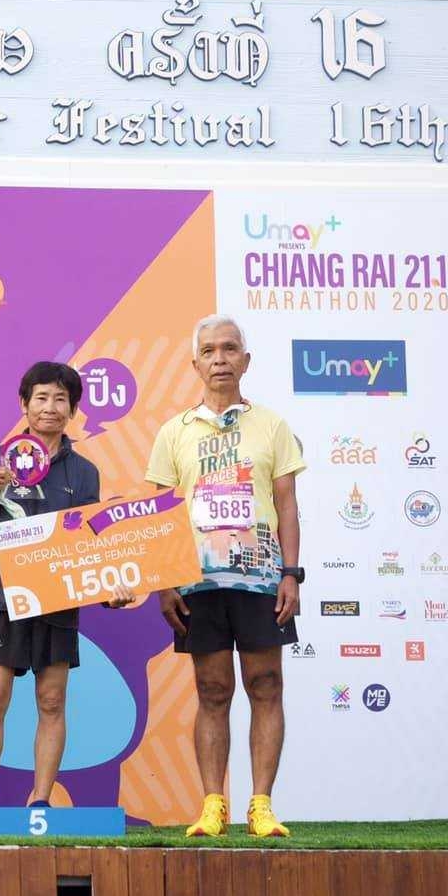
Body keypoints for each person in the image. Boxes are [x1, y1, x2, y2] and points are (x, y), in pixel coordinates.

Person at [146, 314, 303, 838]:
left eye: (230, 349)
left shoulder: (272, 426)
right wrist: (164, 581)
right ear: (195, 363)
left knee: (266, 684)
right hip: (198, 583)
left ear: (245, 360)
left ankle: (261, 805)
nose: (220, 359)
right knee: (212, 690)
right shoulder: (174, 432)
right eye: (209, 351)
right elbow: (161, 513)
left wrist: (291, 574)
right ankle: (213, 805)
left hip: (261, 580)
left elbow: (287, 504)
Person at [0, 361, 132, 808]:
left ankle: (41, 801)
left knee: (52, 700)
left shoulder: (84, 473)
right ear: (24, 404)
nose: (50, 407)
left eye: (60, 399)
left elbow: (90, 543)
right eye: (41, 398)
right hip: (0, 597)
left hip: (56, 601)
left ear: (72, 409)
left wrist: (109, 590)